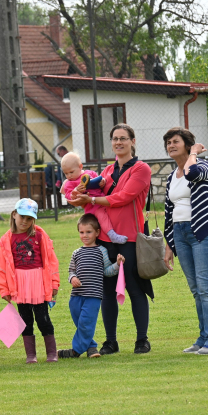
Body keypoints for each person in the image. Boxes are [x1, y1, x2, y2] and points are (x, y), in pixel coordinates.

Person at [69, 124, 153, 356]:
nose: (118, 142)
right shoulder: (105, 171)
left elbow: (123, 198)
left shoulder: (141, 169)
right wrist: (76, 195)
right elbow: (93, 191)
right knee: (105, 290)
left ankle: (141, 340)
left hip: (130, 238)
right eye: (115, 138)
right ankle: (110, 342)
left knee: (135, 288)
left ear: (132, 141)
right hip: (104, 238)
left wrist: (94, 201)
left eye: (123, 138)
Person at [162, 127, 208, 355]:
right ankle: (203, 337)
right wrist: (169, 245)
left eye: (175, 141)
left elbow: (192, 174)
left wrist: (194, 154)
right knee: (196, 289)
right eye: (168, 142)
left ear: (188, 145)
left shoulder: (203, 166)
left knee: (206, 287)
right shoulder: (171, 176)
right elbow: (169, 212)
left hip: (202, 230)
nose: (170, 145)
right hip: (180, 233)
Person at [0, 198, 60, 363]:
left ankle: (52, 353)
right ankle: (31, 355)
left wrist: (54, 283)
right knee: (25, 320)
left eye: (29, 218)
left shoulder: (40, 235)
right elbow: (3, 267)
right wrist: (4, 289)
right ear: (14, 215)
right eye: (22, 216)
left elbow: (51, 261)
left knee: (43, 318)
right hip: (19, 285)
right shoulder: (7, 239)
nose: (25, 221)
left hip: (39, 283)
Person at [58, 214, 123, 359]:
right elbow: (71, 271)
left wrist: (117, 265)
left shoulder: (102, 251)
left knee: (86, 322)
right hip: (76, 295)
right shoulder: (77, 253)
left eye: (89, 232)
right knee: (80, 322)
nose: (85, 235)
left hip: (93, 296)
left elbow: (107, 271)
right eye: (82, 232)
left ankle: (75, 351)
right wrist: (73, 278)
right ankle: (92, 347)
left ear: (97, 233)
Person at [61, 151, 127, 244]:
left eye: (71, 172)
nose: (69, 176)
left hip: (103, 200)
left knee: (115, 212)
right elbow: (69, 196)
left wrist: (102, 182)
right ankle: (112, 235)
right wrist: (75, 191)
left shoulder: (89, 173)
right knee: (102, 216)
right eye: (66, 173)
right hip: (93, 207)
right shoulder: (69, 183)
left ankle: (119, 230)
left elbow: (99, 180)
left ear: (80, 167)